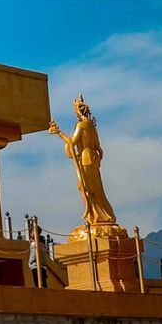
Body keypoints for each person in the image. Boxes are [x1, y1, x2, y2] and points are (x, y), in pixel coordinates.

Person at [48, 96, 120, 232]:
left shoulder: (81, 125)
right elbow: (99, 148)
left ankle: (99, 216)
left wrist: (59, 133)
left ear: (78, 112)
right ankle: (104, 215)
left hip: (86, 158)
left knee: (87, 187)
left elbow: (72, 142)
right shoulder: (92, 126)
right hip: (93, 158)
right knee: (97, 189)